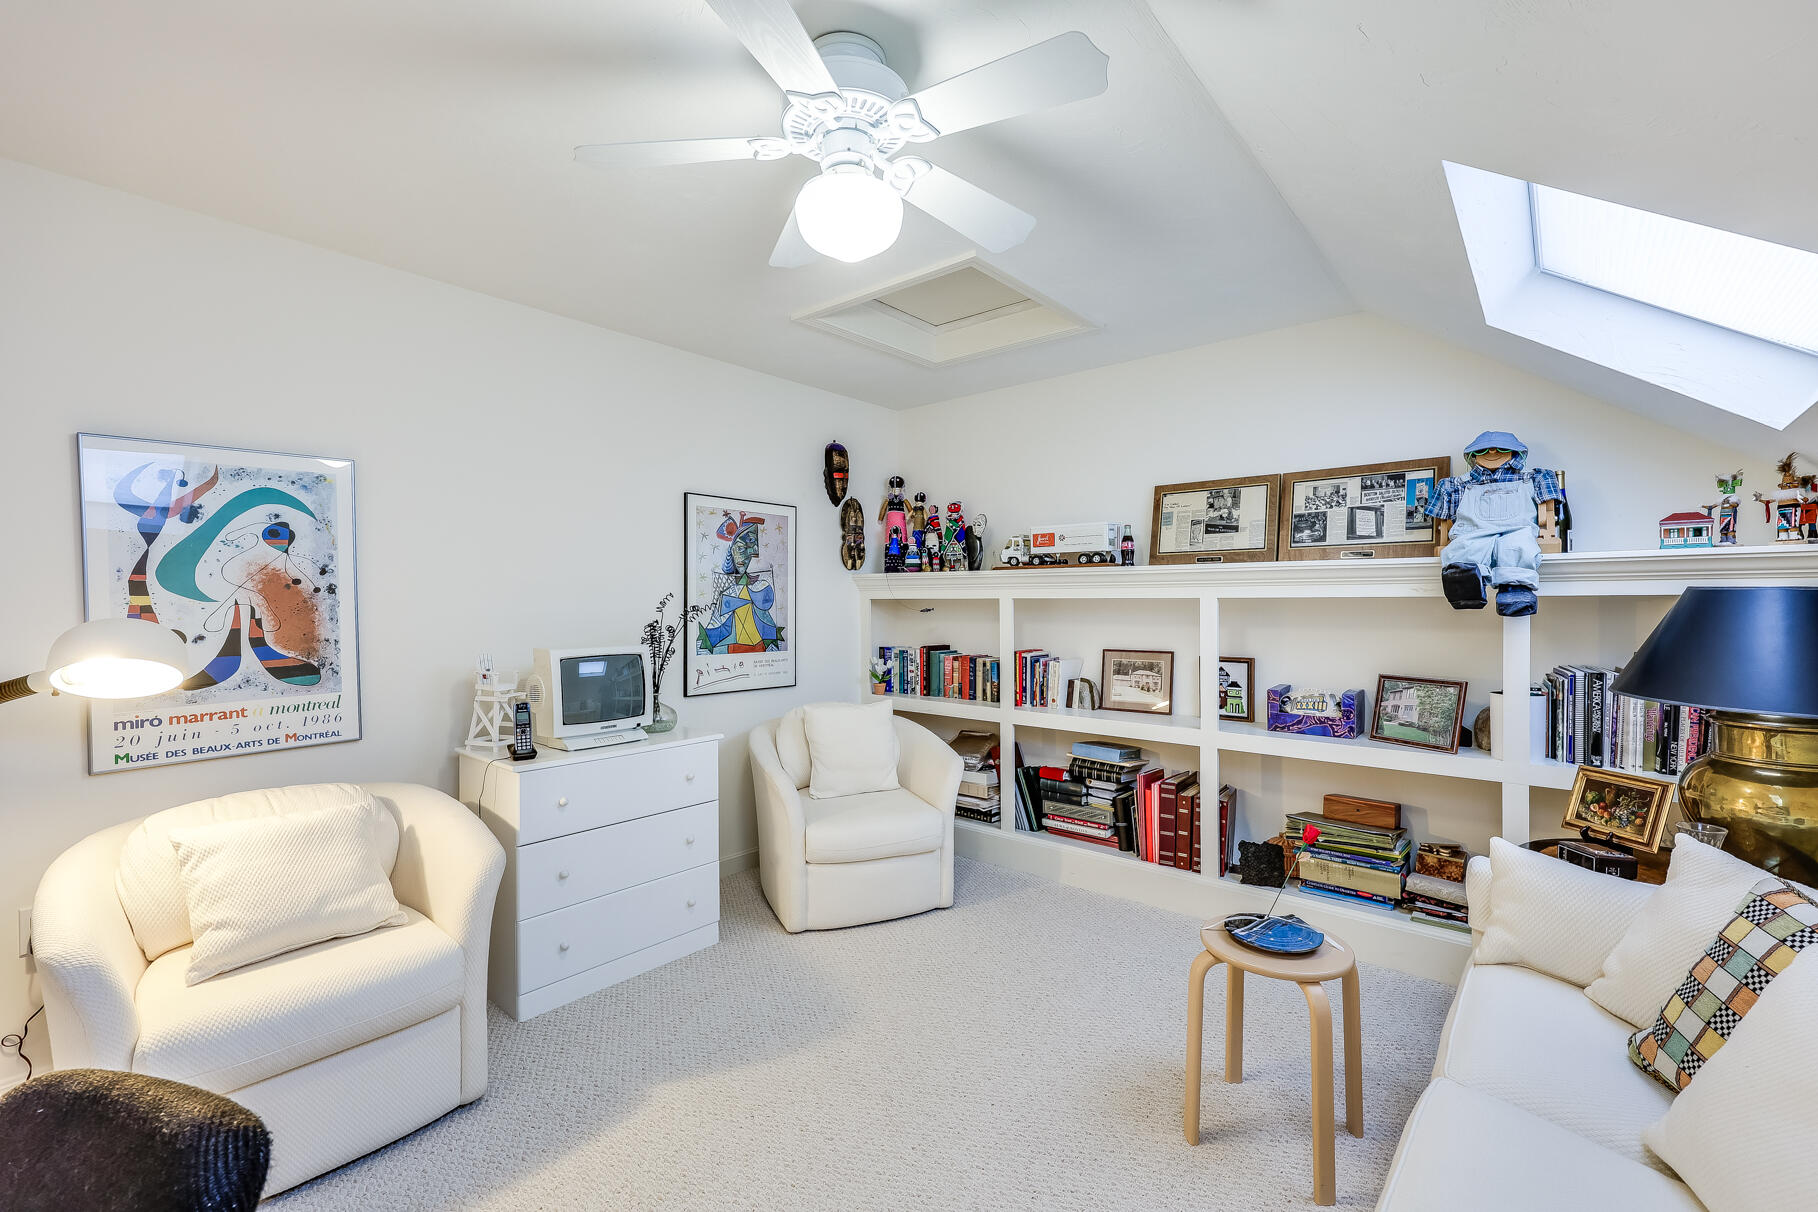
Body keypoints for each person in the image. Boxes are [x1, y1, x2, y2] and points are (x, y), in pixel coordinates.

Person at [1426, 431, 1564, 617]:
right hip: (1472, 532)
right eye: (1484, 450)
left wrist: (1547, 532)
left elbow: (1549, 509)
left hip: (1517, 530)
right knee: (1465, 548)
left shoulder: (1532, 478)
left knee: (1517, 547)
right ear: (1473, 455)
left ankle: (1515, 592)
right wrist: (1444, 539)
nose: (1492, 453)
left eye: (1500, 449)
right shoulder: (1456, 485)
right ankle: (1466, 588)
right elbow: (1442, 521)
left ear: (1514, 453)